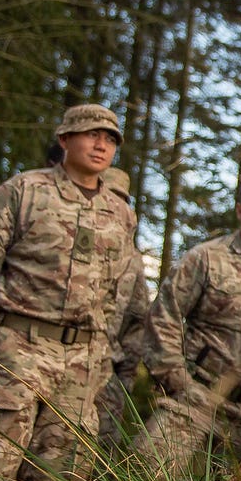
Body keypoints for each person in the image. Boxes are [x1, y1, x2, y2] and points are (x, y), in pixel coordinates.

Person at [0, 104, 140, 481]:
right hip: (20, 347)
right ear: (65, 139)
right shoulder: (23, 191)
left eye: (110, 139)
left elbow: (116, 290)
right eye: (91, 134)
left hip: (80, 362)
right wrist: (4, 322)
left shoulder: (121, 214)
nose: (101, 144)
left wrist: (95, 348)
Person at [136, 173, 241, 474]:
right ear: (239, 210)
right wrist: (177, 381)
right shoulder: (206, 258)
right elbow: (164, 316)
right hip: (196, 398)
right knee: (149, 480)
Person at [95, 167, 152, 450]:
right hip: (42, 366)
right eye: (107, 195)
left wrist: (124, 381)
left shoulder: (132, 259)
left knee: (94, 462)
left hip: (107, 379)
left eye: (121, 199)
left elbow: (137, 322)